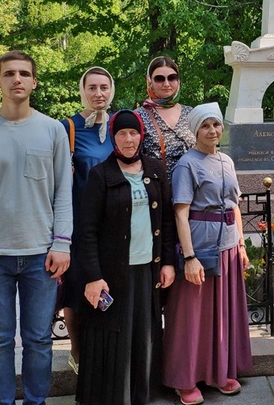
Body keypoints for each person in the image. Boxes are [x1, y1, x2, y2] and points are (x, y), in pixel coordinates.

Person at [0, 50, 73, 405]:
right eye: (9, 74)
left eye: (24, 73)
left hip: (42, 256)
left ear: (34, 82)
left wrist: (62, 244)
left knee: (39, 340)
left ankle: (36, 401)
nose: (17, 79)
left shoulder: (53, 130)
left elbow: (63, 192)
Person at [73, 110, 177, 405]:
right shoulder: (101, 174)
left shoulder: (155, 169)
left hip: (147, 269)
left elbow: (167, 221)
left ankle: (140, 395)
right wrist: (93, 277)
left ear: (141, 135)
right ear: (114, 138)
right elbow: (88, 230)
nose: (128, 139)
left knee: (143, 335)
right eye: (121, 134)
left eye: (133, 133)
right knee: (112, 335)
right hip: (111, 273)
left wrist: (168, 261)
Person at [162, 103, 252, 405]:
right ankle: (184, 379)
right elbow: (181, 213)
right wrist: (189, 257)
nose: (212, 131)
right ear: (195, 130)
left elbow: (234, 206)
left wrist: (240, 245)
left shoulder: (226, 160)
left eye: (216, 125)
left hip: (226, 245)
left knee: (221, 313)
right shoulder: (188, 164)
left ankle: (220, 371)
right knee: (192, 315)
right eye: (205, 126)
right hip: (200, 246)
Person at [60, 66, 117, 372]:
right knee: (78, 288)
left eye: (104, 87)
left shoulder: (119, 125)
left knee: (109, 287)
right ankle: (78, 351)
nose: (98, 94)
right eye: (92, 87)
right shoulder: (68, 127)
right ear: (82, 90)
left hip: (114, 223)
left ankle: (105, 349)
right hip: (80, 223)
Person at [135, 56, 195, 178]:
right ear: (149, 81)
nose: (166, 84)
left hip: (192, 188)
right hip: (158, 190)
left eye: (172, 78)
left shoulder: (191, 113)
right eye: (159, 79)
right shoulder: (138, 116)